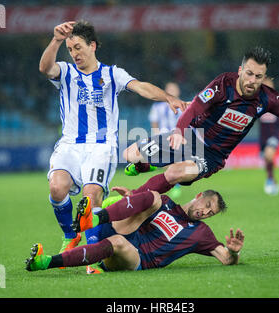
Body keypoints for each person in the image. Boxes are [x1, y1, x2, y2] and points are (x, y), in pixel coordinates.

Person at [38, 20, 187, 256]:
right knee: (57, 188)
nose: (74, 53)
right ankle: (70, 235)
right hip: (70, 144)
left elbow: (140, 86)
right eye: (70, 49)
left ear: (93, 45)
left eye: (78, 47)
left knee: (91, 198)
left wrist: (167, 97)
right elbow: (45, 68)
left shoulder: (111, 73)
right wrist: (56, 40)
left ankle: (92, 256)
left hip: (101, 147)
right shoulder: (66, 71)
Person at [122, 46, 279, 195]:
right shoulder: (224, 84)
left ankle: (135, 197)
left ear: (264, 77)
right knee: (130, 154)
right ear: (241, 70)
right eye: (249, 73)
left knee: (175, 172)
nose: (252, 80)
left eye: (258, 77)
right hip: (191, 136)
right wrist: (178, 131)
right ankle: (145, 165)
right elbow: (196, 106)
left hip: (213, 155)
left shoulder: (268, 98)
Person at [25, 187, 244, 272]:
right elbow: (141, 210)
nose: (206, 213)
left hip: (139, 259)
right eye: (207, 206)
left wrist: (233, 252)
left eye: (211, 213)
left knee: (118, 242)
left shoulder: (201, 233)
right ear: (198, 197)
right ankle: (92, 221)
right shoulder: (166, 203)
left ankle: (46, 262)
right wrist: (133, 198)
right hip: (125, 233)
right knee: (154, 197)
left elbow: (226, 259)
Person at [258, 77, 279, 195]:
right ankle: (271, 177)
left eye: (268, 84)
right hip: (263, 136)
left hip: (274, 134)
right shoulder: (256, 100)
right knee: (267, 159)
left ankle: (270, 180)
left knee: (269, 154)